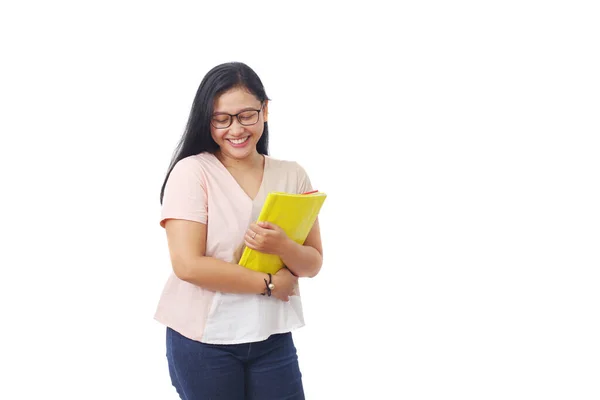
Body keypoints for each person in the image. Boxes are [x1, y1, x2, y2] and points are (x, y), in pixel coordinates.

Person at [154, 62, 323, 399]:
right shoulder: (193, 172)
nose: (236, 129)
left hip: (272, 338)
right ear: (208, 120)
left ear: (265, 110)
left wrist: (284, 246)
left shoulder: (292, 175)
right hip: (204, 343)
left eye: (247, 115)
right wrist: (271, 284)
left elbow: (313, 263)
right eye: (222, 119)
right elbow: (188, 265)